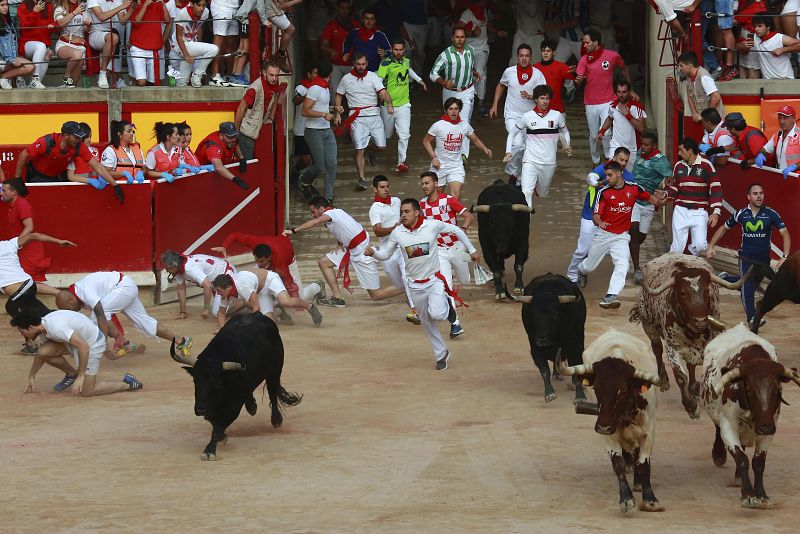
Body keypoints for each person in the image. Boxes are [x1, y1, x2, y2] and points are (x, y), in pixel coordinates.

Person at [365, 198, 480, 370]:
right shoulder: (397, 233)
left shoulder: (432, 226)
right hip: (414, 286)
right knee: (427, 323)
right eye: (401, 212)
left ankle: (448, 306)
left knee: (437, 314)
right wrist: (373, 252)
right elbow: (386, 255)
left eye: (407, 212)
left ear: (417, 212)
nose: (403, 215)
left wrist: (472, 250)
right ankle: (441, 354)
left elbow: (456, 230)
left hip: (434, 281)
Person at [282, 196, 404, 307]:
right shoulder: (336, 212)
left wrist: (293, 231)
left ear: (321, 209)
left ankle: (408, 286)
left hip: (363, 252)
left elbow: (315, 222)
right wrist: (339, 244)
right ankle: (337, 298)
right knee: (324, 262)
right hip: (351, 248)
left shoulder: (329, 214)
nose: (312, 215)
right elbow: (344, 228)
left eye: (313, 211)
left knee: (376, 295)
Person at [578, 161, 664, 309]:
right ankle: (581, 269)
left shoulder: (634, 188)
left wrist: (661, 202)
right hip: (604, 235)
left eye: (610, 175)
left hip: (622, 236)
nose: (607, 178)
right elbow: (596, 215)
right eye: (606, 175)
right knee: (589, 267)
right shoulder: (603, 193)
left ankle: (610, 296)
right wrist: (599, 222)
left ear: (619, 173)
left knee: (623, 265)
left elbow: (649, 198)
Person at [707, 183, 791, 329]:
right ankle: (752, 318)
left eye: (761, 193)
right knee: (748, 285)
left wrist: (785, 256)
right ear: (748, 197)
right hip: (746, 258)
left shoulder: (771, 214)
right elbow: (723, 228)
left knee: (752, 284)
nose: (759, 196)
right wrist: (711, 246)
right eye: (755, 193)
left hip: (763, 261)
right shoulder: (741, 214)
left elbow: (785, 234)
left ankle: (725, 277)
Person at [55, 271, 193, 356]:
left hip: (122, 287)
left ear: (71, 299)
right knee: (145, 322)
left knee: (98, 316)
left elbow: (102, 314)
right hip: (123, 287)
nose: (71, 312)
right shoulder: (78, 293)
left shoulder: (84, 291)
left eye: (69, 308)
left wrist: (106, 341)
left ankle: (120, 342)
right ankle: (182, 341)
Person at [14, 309, 144, 396]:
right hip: (78, 340)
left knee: (87, 391)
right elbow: (41, 355)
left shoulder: (56, 328)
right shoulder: (44, 326)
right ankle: (71, 374)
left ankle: (128, 384)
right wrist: (32, 376)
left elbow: (84, 347)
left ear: (31, 327)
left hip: (93, 343)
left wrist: (81, 376)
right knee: (43, 351)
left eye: (21, 331)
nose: (21, 334)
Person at [567, 148, 633, 288]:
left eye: (626, 161)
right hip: (590, 215)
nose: (623, 163)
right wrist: (598, 182)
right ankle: (572, 277)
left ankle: (583, 270)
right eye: (621, 159)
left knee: (608, 251)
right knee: (582, 250)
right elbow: (591, 177)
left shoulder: (629, 177)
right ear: (614, 158)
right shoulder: (602, 169)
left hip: (609, 221)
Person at [419, 170, 474, 337]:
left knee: (465, 280)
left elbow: (468, 216)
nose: (424, 186)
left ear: (436, 184)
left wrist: (462, 230)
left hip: (457, 247)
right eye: (422, 184)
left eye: (427, 183)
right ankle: (455, 324)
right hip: (439, 251)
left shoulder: (449, 200)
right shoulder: (421, 205)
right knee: (446, 287)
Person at [1, 232, 74, 354]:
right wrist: (58, 240)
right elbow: (33, 235)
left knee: (26, 315)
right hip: (29, 284)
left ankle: (68, 331)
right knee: (30, 312)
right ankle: (35, 340)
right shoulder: (8, 244)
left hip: (20, 293)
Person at [13, 122, 124, 203]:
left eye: (80, 137)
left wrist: (115, 185)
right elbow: (24, 155)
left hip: (58, 177)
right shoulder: (46, 142)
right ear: (65, 136)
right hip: (38, 177)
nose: (78, 140)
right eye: (76, 137)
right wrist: (17, 178)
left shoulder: (78, 146)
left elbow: (97, 166)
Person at [504, 84, 571, 207]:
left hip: (549, 162)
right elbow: (512, 134)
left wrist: (567, 144)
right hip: (530, 160)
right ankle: (526, 222)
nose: (545, 101)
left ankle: (538, 188)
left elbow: (565, 131)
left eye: (547, 98)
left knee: (542, 193)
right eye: (542, 98)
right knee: (526, 192)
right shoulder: (527, 116)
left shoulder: (557, 115)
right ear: (535, 99)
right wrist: (508, 151)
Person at [212, 232, 323, 306]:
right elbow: (235, 235)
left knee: (300, 296)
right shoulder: (254, 242)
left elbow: (290, 285)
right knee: (256, 285)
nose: (259, 265)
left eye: (261, 262)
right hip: (277, 250)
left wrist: (298, 306)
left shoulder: (280, 264)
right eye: (256, 260)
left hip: (288, 261)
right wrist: (224, 246)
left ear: (269, 258)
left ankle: (317, 286)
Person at [334, 51, 393, 191]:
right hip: (357, 117)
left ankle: (371, 150)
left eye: (363, 64)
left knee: (382, 146)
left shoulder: (373, 77)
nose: (361, 67)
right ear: (353, 64)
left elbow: (383, 92)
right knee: (359, 149)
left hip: (374, 115)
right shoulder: (346, 79)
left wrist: (389, 103)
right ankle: (361, 178)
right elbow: (338, 96)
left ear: (367, 64)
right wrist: (337, 112)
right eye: (358, 64)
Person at [490, 43, 546, 183]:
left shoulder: (538, 74)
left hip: (531, 117)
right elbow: (501, 85)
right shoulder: (509, 71)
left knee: (526, 149)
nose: (524, 58)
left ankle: (519, 178)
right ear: (517, 56)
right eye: (521, 55)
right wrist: (495, 105)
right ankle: (511, 171)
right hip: (512, 115)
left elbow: (544, 95)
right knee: (518, 144)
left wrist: (532, 96)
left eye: (527, 56)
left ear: (531, 57)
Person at [574, 29, 631, 165]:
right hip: (590, 102)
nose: (584, 45)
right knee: (594, 135)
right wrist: (578, 81)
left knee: (605, 133)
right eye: (584, 43)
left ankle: (608, 159)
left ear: (596, 42)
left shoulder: (612, 56)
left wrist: (630, 88)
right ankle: (595, 161)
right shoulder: (583, 60)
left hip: (608, 101)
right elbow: (577, 81)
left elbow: (624, 67)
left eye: (587, 43)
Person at [369, 175, 418, 324]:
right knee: (401, 284)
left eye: (387, 186)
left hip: (402, 245)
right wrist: (394, 229)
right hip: (387, 249)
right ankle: (417, 298)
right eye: (382, 187)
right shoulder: (374, 208)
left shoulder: (397, 201)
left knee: (406, 275)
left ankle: (416, 309)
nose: (386, 189)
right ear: (375, 189)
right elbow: (377, 231)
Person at [423, 97, 492, 199]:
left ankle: (452, 215)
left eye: (456, 108)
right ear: (446, 110)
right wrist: (433, 157)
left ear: (459, 110)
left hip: (456, 166)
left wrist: (485, 149)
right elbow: (426, 141)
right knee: (436, 197)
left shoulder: (464, 125)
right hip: (439, 165)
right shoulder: (438, 125)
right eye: (450, 109)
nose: (453, 111)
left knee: (456, 195)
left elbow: (475, 140)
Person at [1, 178, 60, 300]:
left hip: (29, 248)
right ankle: (59, 294)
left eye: (4, 190)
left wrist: (20, 243)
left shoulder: (21, 204)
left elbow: (30, 226)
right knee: (26, 281)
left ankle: (60, 294)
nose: (2, 193)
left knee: (27, 281)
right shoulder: (15, 205)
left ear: (14, 192)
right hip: (24, 246)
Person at [666, 137, 722, 256]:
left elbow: (716, 188)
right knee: (676, 247)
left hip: (700, 211)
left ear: (690, 150)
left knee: (701, 246)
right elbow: (675, 187)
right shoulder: (678, 166)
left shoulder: (706, 165)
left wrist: (716, 212)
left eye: (681, 150)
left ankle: (689, 257)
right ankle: (674, 270)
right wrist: (665, 194)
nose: (678, 153)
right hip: (680, 210)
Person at [377, 39, 426, 173]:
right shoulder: (385, 63)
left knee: (404, 135)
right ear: (392, 50)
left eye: (401, 49)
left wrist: (419, 80)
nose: (398, 52)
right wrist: (387, 101)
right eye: (396, 49)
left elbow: (408, 70)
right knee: (386, 136)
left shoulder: (405, 60)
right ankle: (372, 149)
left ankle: (401, 162)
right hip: (388, 106)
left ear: (404, 50)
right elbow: (378, 83)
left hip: (404, 104)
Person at [630, 133, 672, 284]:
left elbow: (670, 179)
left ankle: (624, 241)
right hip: (633, 199)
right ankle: (637, 270)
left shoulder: (660, 161)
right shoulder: (639, 155)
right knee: (634, 234)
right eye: (642, 144)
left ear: (654, 146)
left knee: (640, 238)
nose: (643, 147)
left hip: (648, 203)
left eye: (646, 145)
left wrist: (663, 194)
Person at [212, 269, 322, 327]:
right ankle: (278, 310)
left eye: (219, 291)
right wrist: (222, 330)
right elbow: (221, 313)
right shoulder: (224, 293)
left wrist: (246, 325)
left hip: (270, 280)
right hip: (259, 292)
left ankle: (310, 306)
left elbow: (256, 309)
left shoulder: (242, 285)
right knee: (270, 324)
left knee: (286, 301)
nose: (218, 294)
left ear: (229, 287)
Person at [430, 27, 478, 158]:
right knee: (450, 121)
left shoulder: (470, 50)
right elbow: (433, 73)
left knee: (464, 121)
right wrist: (444, 82)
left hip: (467, 90)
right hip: (450, 92)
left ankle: (463, 155)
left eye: (462, 37)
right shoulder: (445, 54)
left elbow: (470, 67)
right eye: (457, 37)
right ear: (452, 38)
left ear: (465, 38)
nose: (460, 39)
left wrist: (474, 73)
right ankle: (445, 150)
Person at [298, 62, 337, 202]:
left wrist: (334, 110)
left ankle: (328, 197)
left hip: (326, 129)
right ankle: (304, 180)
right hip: (313, 131)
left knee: (332, 163)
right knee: (320, 166)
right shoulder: (315, 88)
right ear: (331, 74)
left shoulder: (325, 87)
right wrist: (323, 115)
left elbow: (322, 106)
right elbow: (305, 111)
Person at [160, 250, 235, 320]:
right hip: (217, 280)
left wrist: (206, 308)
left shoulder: (190, 268)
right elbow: (181, 289)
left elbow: (207, 285)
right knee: (219, 310)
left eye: (167, 268)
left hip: (227, 274)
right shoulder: (178, 268)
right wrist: (183, 312)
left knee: (217, 313)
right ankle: (232, 303)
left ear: (173, 266)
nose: (167, 271)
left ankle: (240, 304)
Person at [235, 61, 286, 161]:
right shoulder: (255, 88)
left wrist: (271, 117)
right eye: (271, 75)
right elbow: (241, 109)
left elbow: (274, 98)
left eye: (276, 75)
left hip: (258, 129)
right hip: (247, 132)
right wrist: (236, 132)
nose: (274, 78)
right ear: (264, 73)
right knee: (248, 163)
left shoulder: (273, 86)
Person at [234, 0, 301, 73]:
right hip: (245, 17)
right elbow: (260, 5)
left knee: (242, 47)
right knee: (244, 48)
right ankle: (237, 74)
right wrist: (264, 20)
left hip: (245, 16)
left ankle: (235, 74)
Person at [595, 80, 646, 171]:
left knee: (628, 175)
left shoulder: (637, 107)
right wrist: (601, 131)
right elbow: (610, 118)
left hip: (632, 148)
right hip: (615, 145)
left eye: (624, 92)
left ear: (629, 92)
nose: (621, 95)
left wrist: (627, 114)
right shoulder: (613, 106)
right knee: (611, 170)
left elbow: (642, 129)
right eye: (619, 92)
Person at [456, 0, 495, 117]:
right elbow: (457, 31)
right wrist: (472, 32)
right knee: (466, 74)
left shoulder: (484, 11)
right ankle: (467, 100)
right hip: (467, 48)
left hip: (482, 48)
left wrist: (497, 31)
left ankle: (481, 102)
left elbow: (487, 25)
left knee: (480, 72)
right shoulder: (468, 13)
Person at [87, 0, 134, 89]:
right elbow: (101, 17)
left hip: (109, 36)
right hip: (95, 34)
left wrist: (132, 7)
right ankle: (102, 73)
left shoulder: (117, 1)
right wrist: (122, 6)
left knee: (113, 38)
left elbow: (123, 21)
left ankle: (104, 75)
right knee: (114, 38)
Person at [170, 0, 217, 88]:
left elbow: (199, 28)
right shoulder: (183, 13)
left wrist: (198, 45)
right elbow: (178, 37)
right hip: (179, 46)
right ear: (191, 4)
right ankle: (197, 75)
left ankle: (196, 76)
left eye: (203, 5)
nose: (201, 8)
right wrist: (186, 55)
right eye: (199, 5)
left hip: (191, 45)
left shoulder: (205, 12)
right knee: (214, 49)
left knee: (182, 83)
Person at [319, 0, 357, 100]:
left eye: (347, 8)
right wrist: (331, 51)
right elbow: (323, 45)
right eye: (342, 8)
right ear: (338, 8)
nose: (344, 11)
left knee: (353, 92)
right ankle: (336, 113)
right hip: (336, 64)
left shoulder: (356, 25)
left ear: (350, 10)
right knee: (334, 91)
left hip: (352, 64)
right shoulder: (331, 25)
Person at [195, 122, 251, 189]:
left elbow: (235, 143)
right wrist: (236, 179)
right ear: (221, 135)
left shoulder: (230, 140)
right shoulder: (213, 147)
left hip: (220, 173)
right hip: (202, 176)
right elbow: (218, 167)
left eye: (234, 136)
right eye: (230, 137)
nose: (233, 139)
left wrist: (241, 158)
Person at [129, 0, 170, 87]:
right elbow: (136, 22)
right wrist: (145, 5)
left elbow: (167, 20)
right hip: (138, 47)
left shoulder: (158, 4)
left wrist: (163, 5)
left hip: (154, 48)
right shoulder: (136, 3)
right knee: (141, 82)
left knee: (153, 82)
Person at [677, 51, 724, 124]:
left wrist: (705, 116)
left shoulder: (704, 77)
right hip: (707, 122)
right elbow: (689, 96)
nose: (679, 68)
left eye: (681, 65)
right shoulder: (688, 77)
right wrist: (694, 112)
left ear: (689, 66)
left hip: (715, 122)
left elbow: (716, 97)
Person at [53, 0, 91, 88]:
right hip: (64, 44)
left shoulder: (83, 8)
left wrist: (88, 25)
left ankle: (67, 88)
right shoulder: (60, 8)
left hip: (80, 45)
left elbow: (87, 30)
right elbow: (60, 23)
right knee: (78, 55)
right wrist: (74, 12)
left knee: (73, 85)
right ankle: (67, 74)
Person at [17, 0, 54, 89]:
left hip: (43, 43)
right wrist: (34, 11)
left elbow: (53, 23)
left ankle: (35, 82)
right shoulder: (23, 6)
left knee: (47, 52)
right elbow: (23, 26)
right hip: (26, 43)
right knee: (41, 46)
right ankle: (35, 78)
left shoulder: (48, 5)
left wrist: (53, 25)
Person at [0, 0, 35, 90]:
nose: (5, 7)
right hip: (3, 59)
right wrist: (11, 59)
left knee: (31, 66)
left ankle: (3, 77)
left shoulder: (8, 21)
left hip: (10, 57)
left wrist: (13, 58)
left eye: (6, 5)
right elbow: (3, 44)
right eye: (2, 5)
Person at [533, 39, 574, 113]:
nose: (545, 53)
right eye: (543, 51)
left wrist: (574, 73)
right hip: (539, 111)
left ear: (553, 52)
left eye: (548, 51)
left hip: (557, 109)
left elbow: (576, 82)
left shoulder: (562, 67)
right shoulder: (534, 68)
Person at [757, 105, 800, 176]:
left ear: (794, 119)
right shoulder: (777, 135)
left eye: (785, 118)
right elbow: (764, 149)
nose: (782, 121)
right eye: (780, 118)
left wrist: (795, 166)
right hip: (781, 176)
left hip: (797, 178)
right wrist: (761, 154)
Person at [290, 66, 316, 180]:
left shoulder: (322, 88)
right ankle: (295, 172)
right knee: (307, 160)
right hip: (300, 130)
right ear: (309, 74)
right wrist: (309, 96)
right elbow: (295, 101)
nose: (316, 76)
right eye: (314, 73)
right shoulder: (301, 87)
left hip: (313, 129)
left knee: (313, 159)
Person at [509, 0, 546, 65]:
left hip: (536, 36)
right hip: (520, 34)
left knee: (534, 64)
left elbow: (532, 11)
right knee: (515, 63)